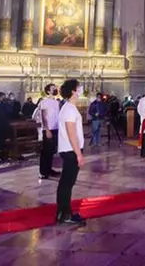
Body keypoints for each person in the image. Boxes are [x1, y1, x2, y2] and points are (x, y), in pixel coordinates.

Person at [56, 79, 86, 227]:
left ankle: (63, 213)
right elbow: (71, 132)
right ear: (73, 91)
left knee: (66, 183)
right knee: (67, 183)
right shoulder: (68, 109)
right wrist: (78, 154)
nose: (81, 89)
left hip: (69, 149)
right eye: (79, 87)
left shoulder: (69, 107)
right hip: (70, 150)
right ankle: (65, 215)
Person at [37, 83, 61, 179]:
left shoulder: (56, 102)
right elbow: (44, 116)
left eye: (55, 88)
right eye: (53, 88)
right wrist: (46, 129)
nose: (55, 89)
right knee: (46, 151)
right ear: (48, 91)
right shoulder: (45, 102)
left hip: (55, 128)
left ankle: (49, 169)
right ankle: (43, 172)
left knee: (51, 151)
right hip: (48, 129)